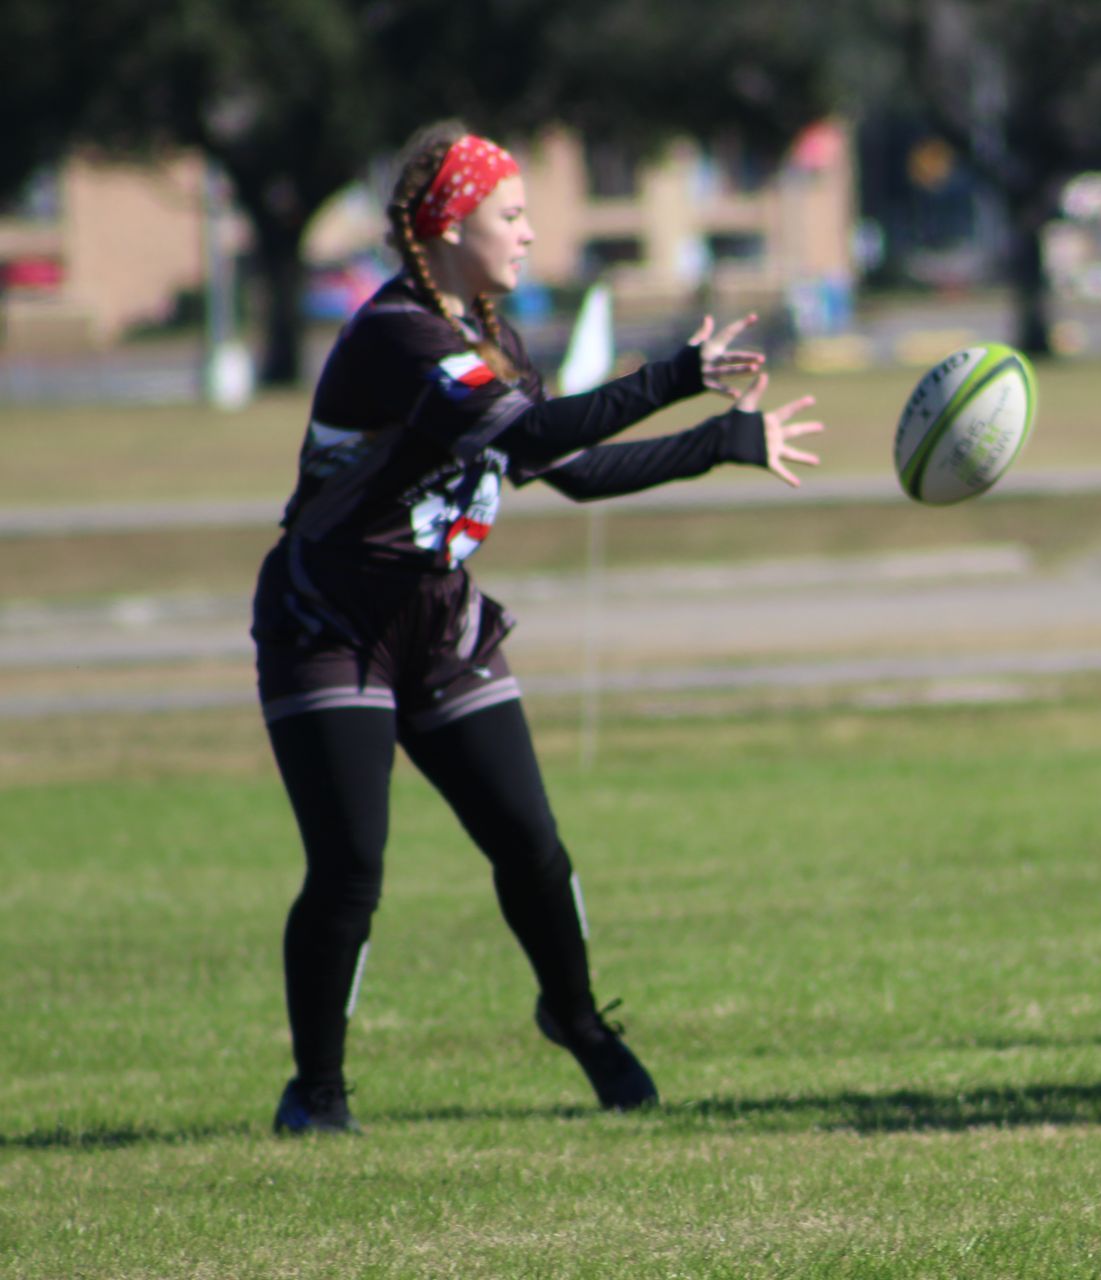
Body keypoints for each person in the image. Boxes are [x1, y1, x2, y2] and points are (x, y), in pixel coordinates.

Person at [252, 121, 824, 1135]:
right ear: (448, 227)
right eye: (511, 215)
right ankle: (318, 1091)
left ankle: (572, 1015)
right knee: (351, 868)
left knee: (532, 846)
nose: (528, 233)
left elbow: (575, 471)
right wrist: (671, 376)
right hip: (329, 615)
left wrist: (722, 441)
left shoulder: (493, 340)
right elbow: (538, 432)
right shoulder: (400, 337)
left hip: (439, 615)